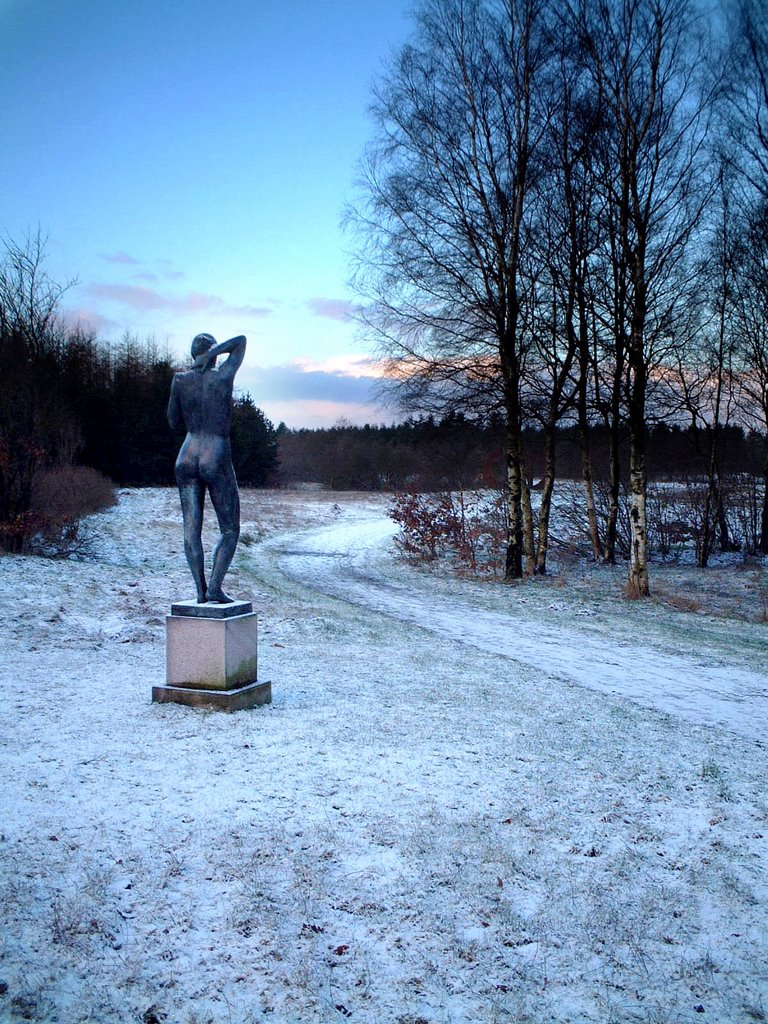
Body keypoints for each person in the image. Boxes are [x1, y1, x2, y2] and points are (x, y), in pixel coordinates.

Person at [167, 333, 246, 603]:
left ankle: (200, 592)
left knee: (191, 529)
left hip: (187, 454)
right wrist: (213, 354)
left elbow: (173, 421)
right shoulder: (222, 376)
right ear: (211, 354)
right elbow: (241, 341)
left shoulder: (179, 380)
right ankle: (213, 587)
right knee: (230, 529)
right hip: (215, 453)